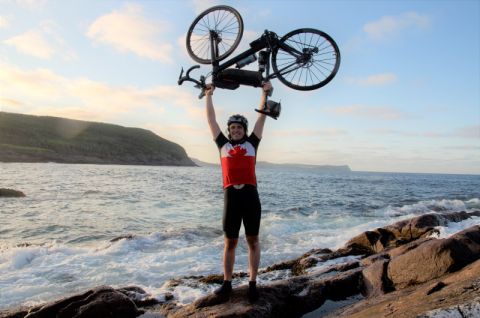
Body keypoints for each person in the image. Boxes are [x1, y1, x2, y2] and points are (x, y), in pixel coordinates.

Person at [204, 81, 272, 302]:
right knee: (230, 242)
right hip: (231, 197)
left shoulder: (253, 143)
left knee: (253, 240)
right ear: (229, 130)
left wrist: (264, 93)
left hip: (251, 197)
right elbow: (211, 120)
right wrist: (208, 96)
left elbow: (261, 117)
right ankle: (227, 283)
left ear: (244, 130)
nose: (235, 130)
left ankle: (253, 283)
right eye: (232, 127)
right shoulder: (222, 144)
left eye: (239, 128)